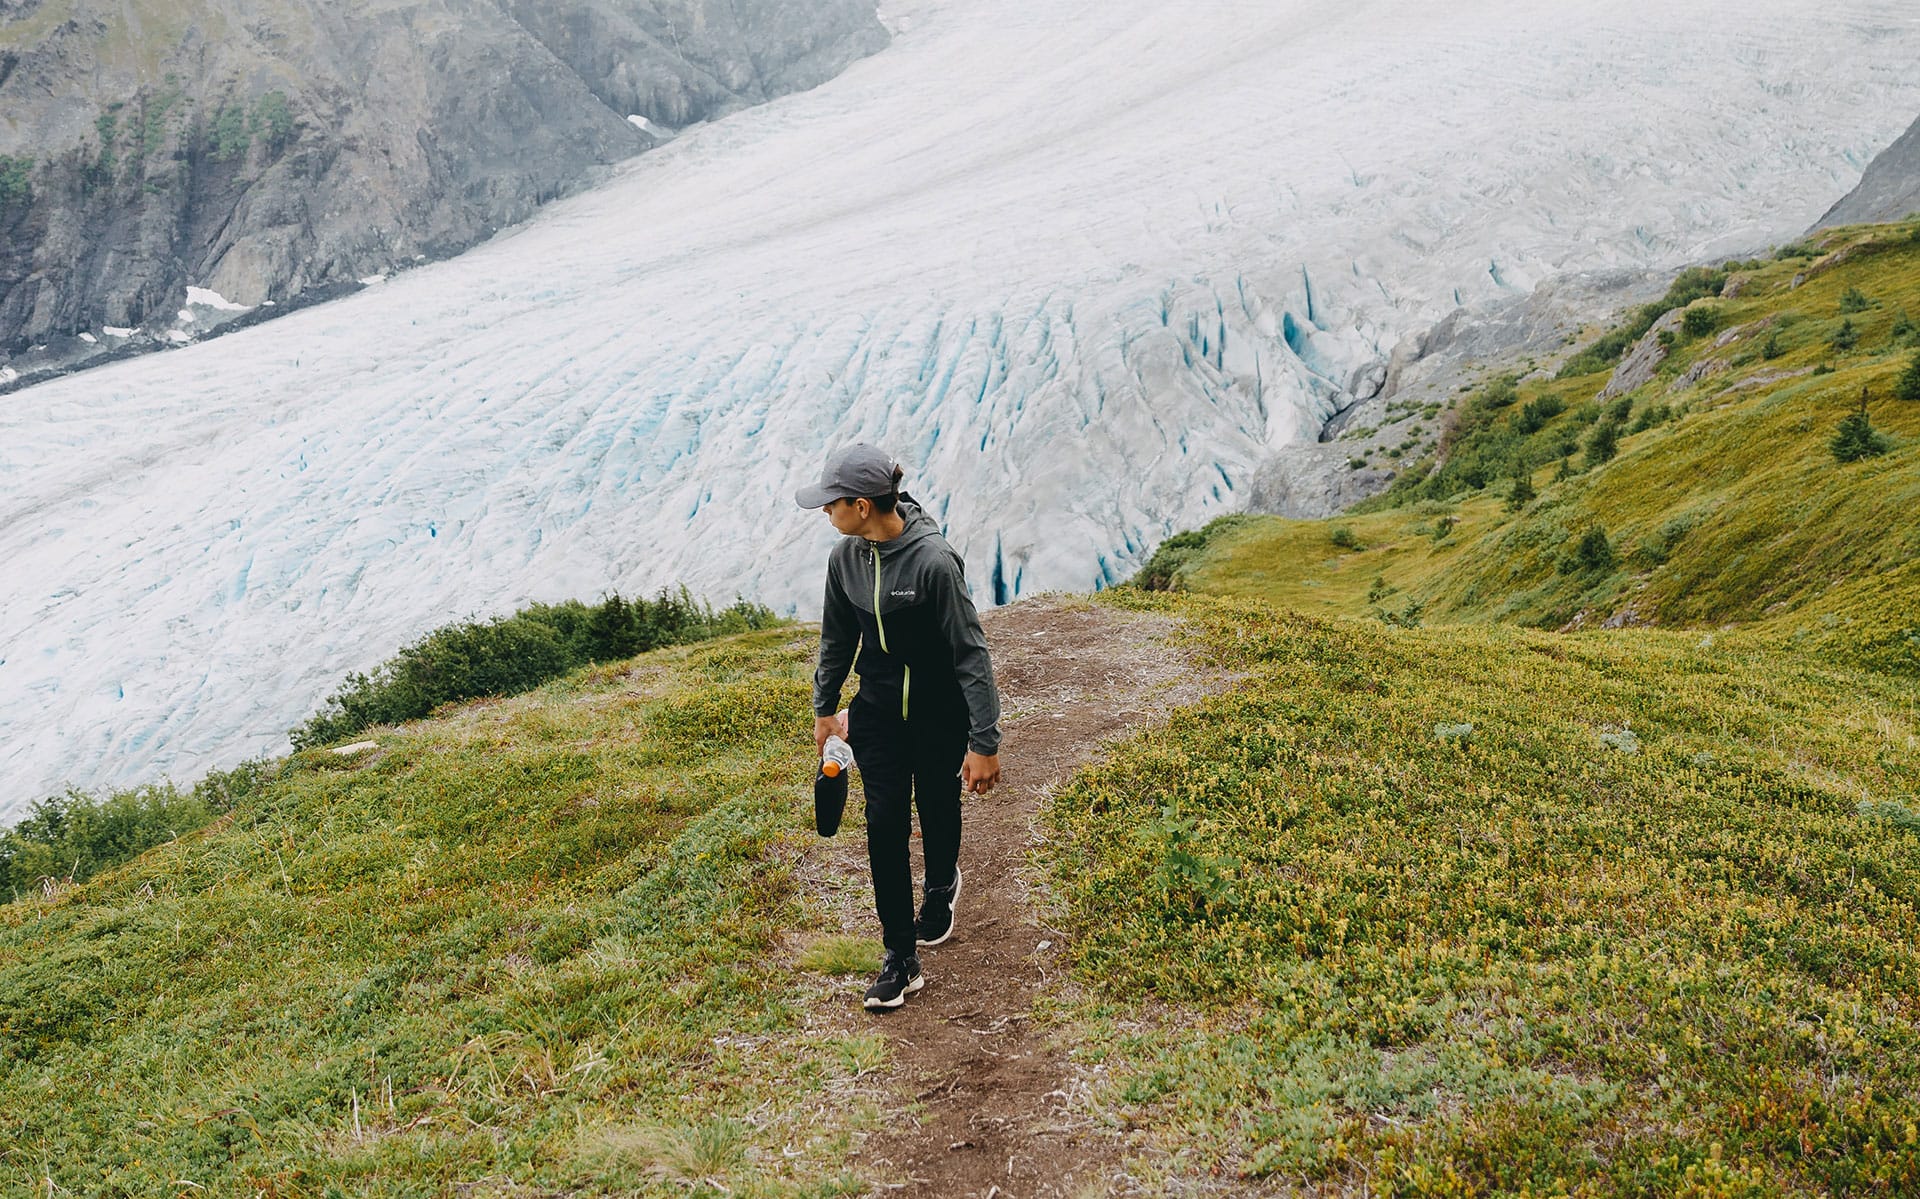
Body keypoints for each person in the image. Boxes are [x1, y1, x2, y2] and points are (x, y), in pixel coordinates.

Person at [796, 444, 1002, 1010]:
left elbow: (971, 653)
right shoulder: (845, 560)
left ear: (862, 505)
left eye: (831, 503)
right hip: (878, 711)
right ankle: (899, 956)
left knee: (937, 804)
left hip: (939, 712)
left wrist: (984, 742)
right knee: (884, 820)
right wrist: (824, 707)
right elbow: (837, 640)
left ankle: (941, 885)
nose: (825, 512)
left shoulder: (934, 562)